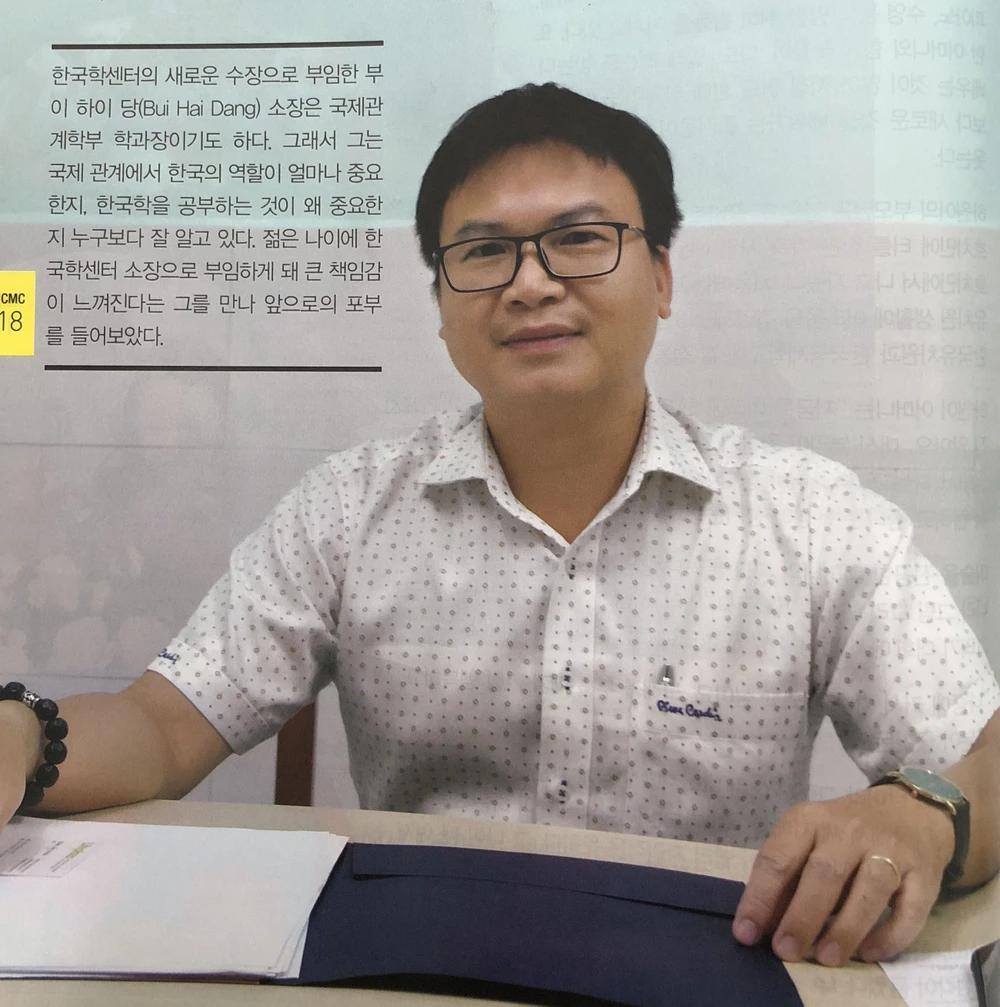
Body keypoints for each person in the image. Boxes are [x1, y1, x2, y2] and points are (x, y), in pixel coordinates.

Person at [1, 83, 997, 971]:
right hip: (414, 966)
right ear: (442, 306)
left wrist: (924, 812)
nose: (529, 282)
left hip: (709, 964)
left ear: (660, 276)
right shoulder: (350, 506)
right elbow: (164, 725)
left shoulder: (809, 518)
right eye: (483, 252)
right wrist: (23, 729)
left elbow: (981, 754)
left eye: (580, 238)